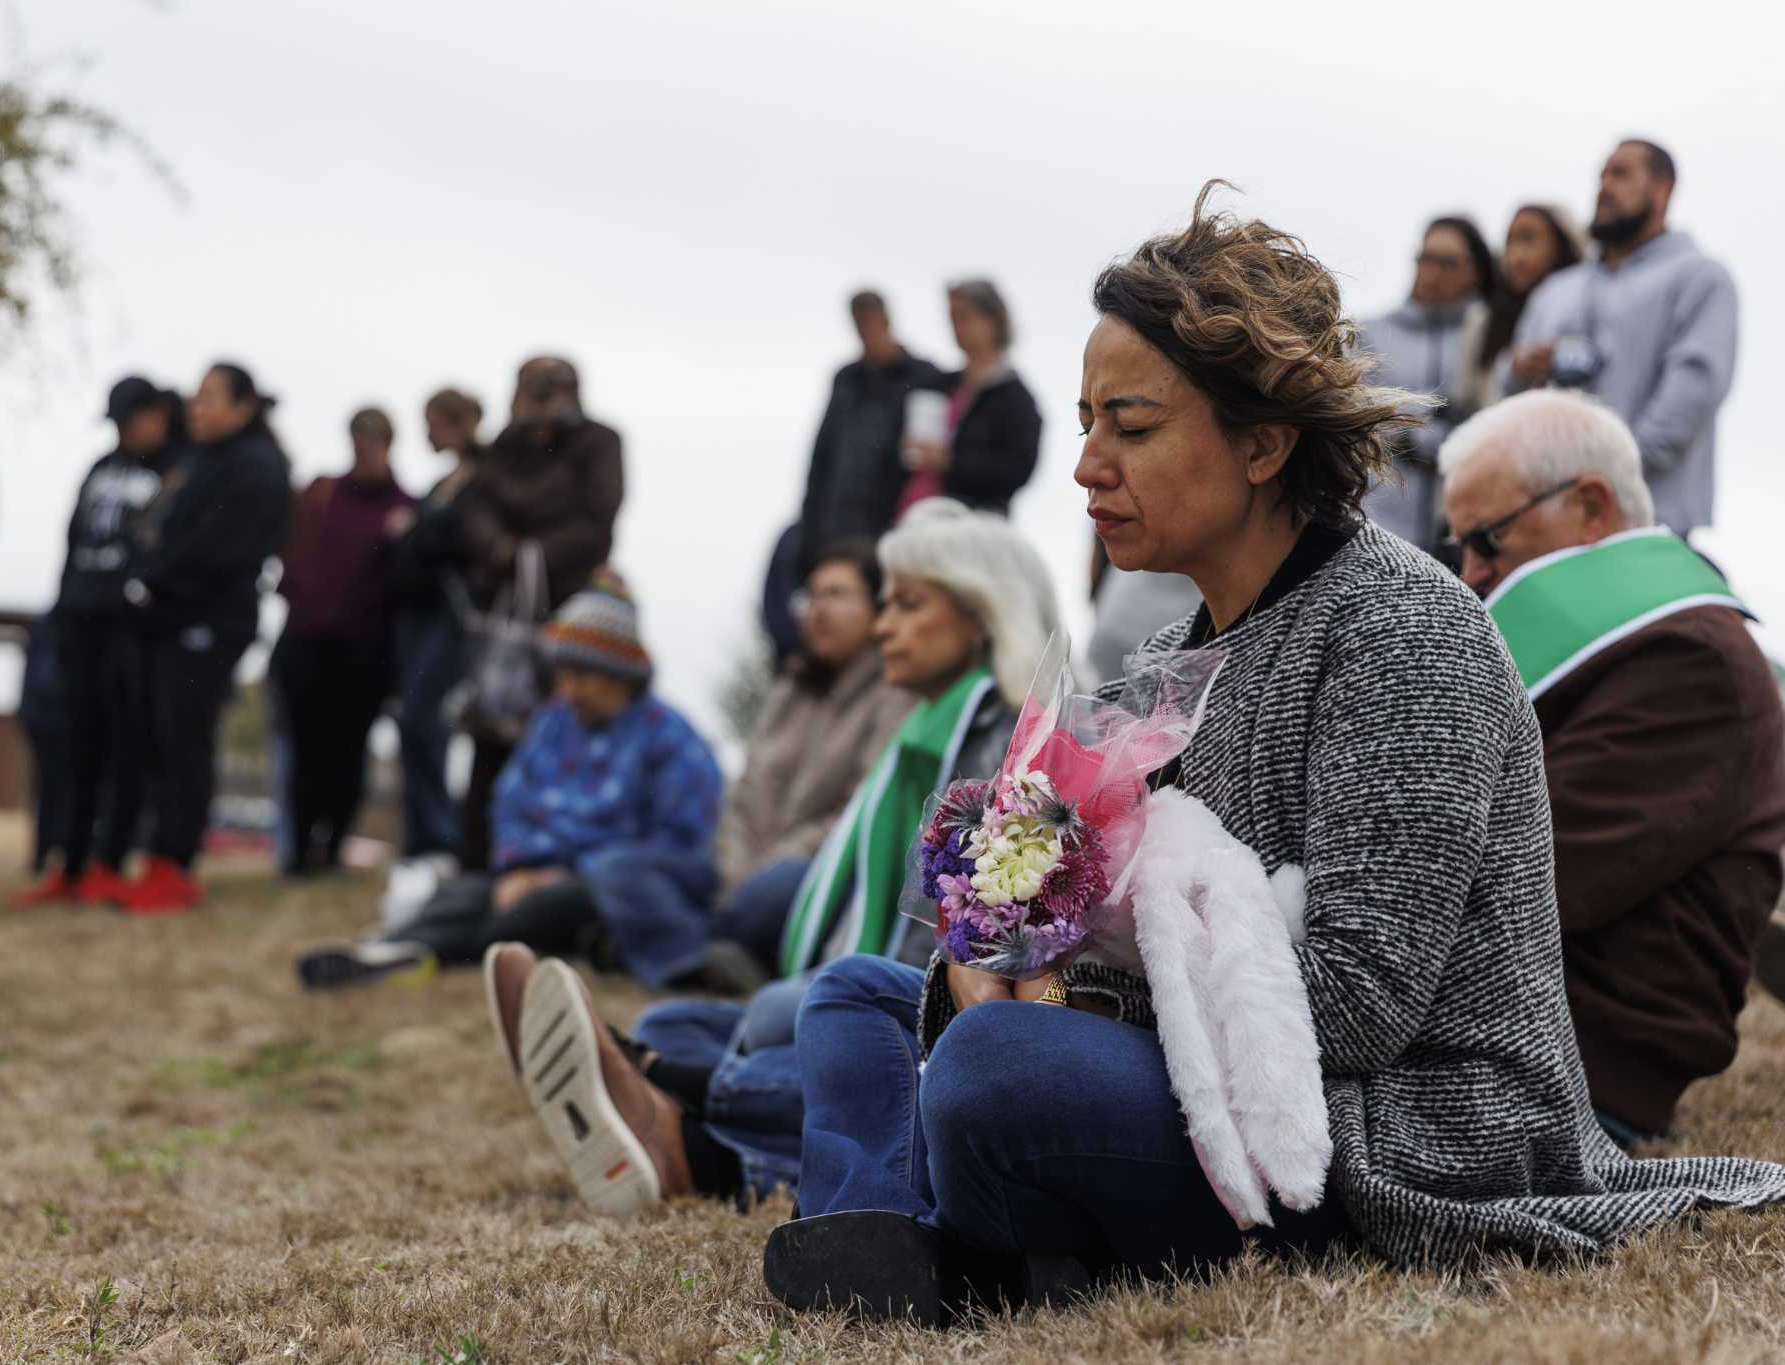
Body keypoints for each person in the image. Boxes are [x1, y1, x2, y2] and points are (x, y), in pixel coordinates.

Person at [762, 186, 1785, 1327]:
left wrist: (1065, 1010)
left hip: (1386, 1136)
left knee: (999, 1072)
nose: (1086, 464)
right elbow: (1139, 929)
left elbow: (1357, 1008)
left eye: (1131, 427)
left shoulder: (1402, 633)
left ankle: (959, 1234)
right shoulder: (1166, 657)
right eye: (1087, 420)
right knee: (854, 997)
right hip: (1216, 1080)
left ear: (1260, 444)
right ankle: (916, 1243)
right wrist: (1005, 944)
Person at [488, 499, 1060, 1214]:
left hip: (934, 1009)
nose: (883, 625)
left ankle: (678, 1104)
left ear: (983, 614)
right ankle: (674, 1104)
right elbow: (747, 794)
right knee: (703, 1019)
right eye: (883, 604)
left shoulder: (1012, 749)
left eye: (908, 604)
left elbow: (959, 966)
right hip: (813, 937)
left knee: (805, 1013)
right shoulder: (911, 729)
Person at [1437, 390, 1785, 1147]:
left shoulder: (1692, 663)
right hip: (1502, 1037)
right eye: (1457, 547)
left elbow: (1517, 880)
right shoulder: (1654, 648)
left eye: (1488, 540)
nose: (1470, 574)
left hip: (1560, 1071)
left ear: (1591, 507)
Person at [298, 572, 720, 987]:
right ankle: (392, 948)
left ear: (621, 674)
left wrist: (568, 876)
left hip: (607, 891)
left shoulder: (671, 739)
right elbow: (511, 801)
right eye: (562, 674)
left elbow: (680, 848)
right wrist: (519, 869)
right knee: (462, 894)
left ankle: (422, 951)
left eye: (584, 675)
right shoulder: (554, 723)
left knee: (539, 910)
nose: (569, 690)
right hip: (530, 878)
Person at [583, 541, 916, 993]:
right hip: (734, 869)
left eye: (836, 595)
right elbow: (742, 795)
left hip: (802, 872)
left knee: (772, 893)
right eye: (811, 596)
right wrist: (736, 865)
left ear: (875, 608)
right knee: (617, 868)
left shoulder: (894, 694)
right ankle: (699, 959)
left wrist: (764, 869)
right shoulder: (791, 688)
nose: (818, 609)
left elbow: (857, 814)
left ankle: (662, 947)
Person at [117, 362, 292, 913]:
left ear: (243, 407)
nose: (197, 406)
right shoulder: (195, 462)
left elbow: (219, 551)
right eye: (196, 396)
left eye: (212, 396)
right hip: (168, 622)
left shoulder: (256, 468)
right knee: (158, 739)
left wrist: (159, 579)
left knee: (185, 739)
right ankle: (157, 858)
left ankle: (177, 864)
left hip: (210, 624)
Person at [11, 377, 186, 907]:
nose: (123, 431)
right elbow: (72, 538)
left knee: (125, 749)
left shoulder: (179, 470)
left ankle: (109, 862)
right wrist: (65, 607)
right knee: (74, 747)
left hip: (131, 632)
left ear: (157, 415)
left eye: (129, 419)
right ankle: (68, 862)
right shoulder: (101, 467)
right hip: (78, 622)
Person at [1507, 139, 1738, 537]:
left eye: (1620, 173)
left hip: (1648, 524)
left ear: (1663, 187)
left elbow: (1690, 397)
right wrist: (1519, 370)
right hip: (1544, 528)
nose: (1604, 186)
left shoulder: (1700, 278)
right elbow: (1507, 395)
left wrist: (1599, 477)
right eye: (1601, 175)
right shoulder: (1557, 289)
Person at [454, 357, 624, 867]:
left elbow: (598, 517)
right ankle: (478, 859)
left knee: (569, 730)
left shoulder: (598, 444)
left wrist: (535, 551)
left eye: (548, 391)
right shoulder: (506, 448)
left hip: (569, 610)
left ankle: (552, 856)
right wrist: (500, 548)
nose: (538, 402)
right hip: (503, 617)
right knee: (493, 736)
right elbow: (475, 505)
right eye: (530, 391)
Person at [267, 407, 414, 877]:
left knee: (347, 750)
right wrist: (296, 587)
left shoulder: (405, 507)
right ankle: (299, 848)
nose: (365, 449)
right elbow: (289, 543)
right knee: (303, 747)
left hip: (363, 649)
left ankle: (331, 848)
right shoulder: (322, 493)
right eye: (359, 439)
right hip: (306, 637)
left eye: (374, 441)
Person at [383, 387, 486, 911]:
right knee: (411, 722)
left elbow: (458, 543)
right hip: (415, 616)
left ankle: (441, 838)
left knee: (427, 718)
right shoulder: (440, 485)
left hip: (450, 617)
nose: (426, 434)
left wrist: (416, 532)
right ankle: (422, 838)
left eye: (432, 422)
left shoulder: (481, 480)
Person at [1358, 216, 1492, 549]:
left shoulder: (1488, 336)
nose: (1432, 273)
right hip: (1378, 521)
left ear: (1474, 272)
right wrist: (1409, 434)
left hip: (1457, 530)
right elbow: (1352, 411)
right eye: (1425, 259)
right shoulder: (1370, 333)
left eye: (1447, 263)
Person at [797, 290, 946, 564]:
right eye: (859, 324)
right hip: (839, 522)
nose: (866, 332)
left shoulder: (925, 376)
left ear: (886, 321)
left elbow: (929, 458)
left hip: (895, 520)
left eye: (870, 323)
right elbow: (822, 456)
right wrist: (809, 531)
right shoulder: (846, 380)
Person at [897, 280, 1042, 520]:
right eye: (953, 319)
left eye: (965, 317)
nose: (957, 327)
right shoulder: (938, 383)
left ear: (992, 319)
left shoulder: (1015, 398)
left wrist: (951, 463)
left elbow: (1017, 470)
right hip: (914, 513)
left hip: (972, 525)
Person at [1457, 205, 1586, 415]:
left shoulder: (1583, 305)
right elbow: (1465, 399)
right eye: (1509, 241)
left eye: (1528, 238)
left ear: (1562, 245)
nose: (1515, 254)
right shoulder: (1483, 319)